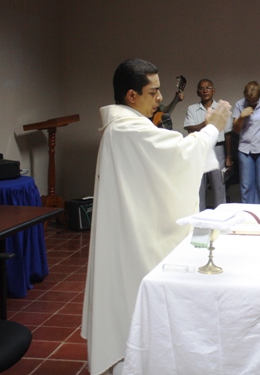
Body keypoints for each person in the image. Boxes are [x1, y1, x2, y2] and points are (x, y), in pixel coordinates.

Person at [82, 59, 231, 375]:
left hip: (129, 228)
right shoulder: (127, 128)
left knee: (128, 305)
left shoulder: (125, 126)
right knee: (131, 306)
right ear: (132, 95)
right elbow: (180, 154)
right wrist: (213, 126)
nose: (161, 98)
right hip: (131, 237)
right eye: (154, 91)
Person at [184, 79, 233, 210]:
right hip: (198, 149)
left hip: (217, 150)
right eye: (201, 88)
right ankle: (198, 216)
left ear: (213, 90)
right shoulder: (192, 109)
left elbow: (228, 134)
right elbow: (190, 129)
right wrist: (206, 124)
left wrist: (228, 156)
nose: (205, 90)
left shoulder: (220, 109)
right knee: (198, 187)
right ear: (198, 93)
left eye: (208, 87)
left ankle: (220, 216)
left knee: (219, 187)